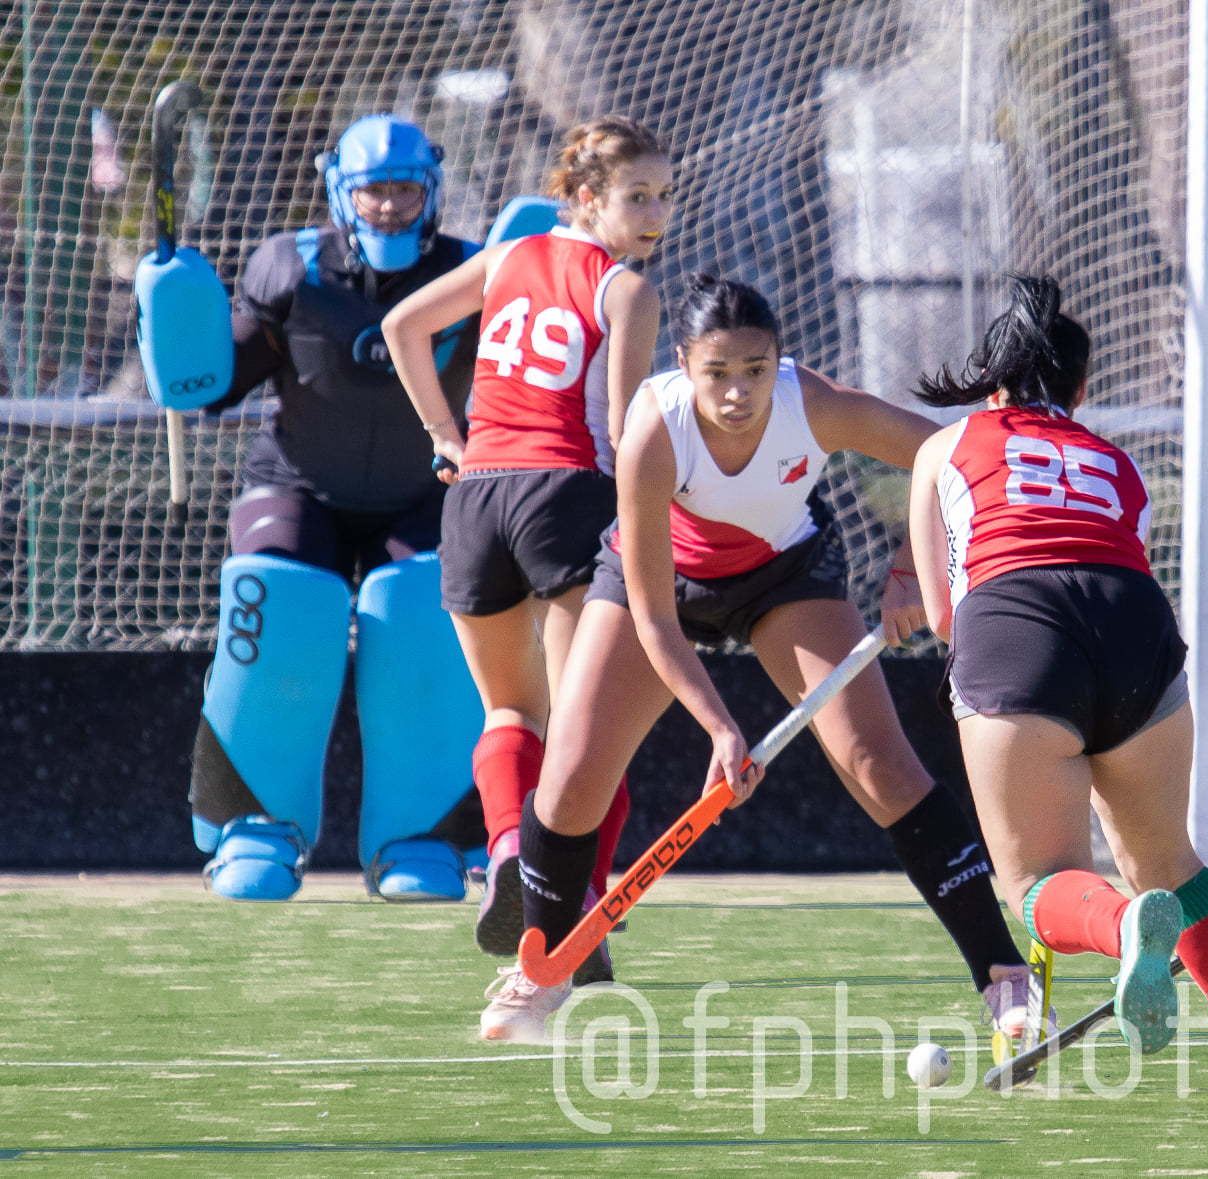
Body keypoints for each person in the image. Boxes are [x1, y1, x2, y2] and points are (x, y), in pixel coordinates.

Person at [481, 274, 1033, 1045]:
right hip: (661, 584)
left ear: (779, 360)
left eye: (756, 370)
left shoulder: (816, 403)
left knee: (880, 763)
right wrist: (719, 726)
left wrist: (913, 565)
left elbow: (947, 453)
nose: (739, 392)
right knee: (570, 777)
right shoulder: (654, 426)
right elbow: (651, 614)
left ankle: (1003, 972)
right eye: (717, 373)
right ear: (683, 363)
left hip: (784, 576)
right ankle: (541, 967)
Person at [906, 276, 1208, 1099]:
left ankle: (1126, 927)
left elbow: (946, 614)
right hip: (1136, 627)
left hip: (1016, 623)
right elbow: (1116, 563)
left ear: (994, 381)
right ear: (1081, 390)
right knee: (1170, 859)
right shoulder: (1117, 464)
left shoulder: (945, 449)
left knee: (1034, 882)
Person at [382, 116, 674, 985]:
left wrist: (446, 435)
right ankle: (577, 899)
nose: (656, 213)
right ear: (588, 199)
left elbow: (404, 325)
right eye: (638, 197)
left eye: (665, 194)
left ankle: (510, 845)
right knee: (596, 731)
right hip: (566, 498)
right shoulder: (626, 291)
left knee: (512, 715)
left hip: (475, 500)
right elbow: (622, 435)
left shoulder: (510, 257)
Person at [173, 114, 491, 903]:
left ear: (432, 190)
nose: (389, 205)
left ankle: (424, 835)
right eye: (373, 190)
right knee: (277, 602)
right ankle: (252, 826)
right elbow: (215, 387)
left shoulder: (472, 273)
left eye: (404, 188)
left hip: (422, 496)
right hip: (296, 488)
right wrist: (177, 331)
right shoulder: (291, 268)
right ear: (339, 191)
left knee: (424, 615)